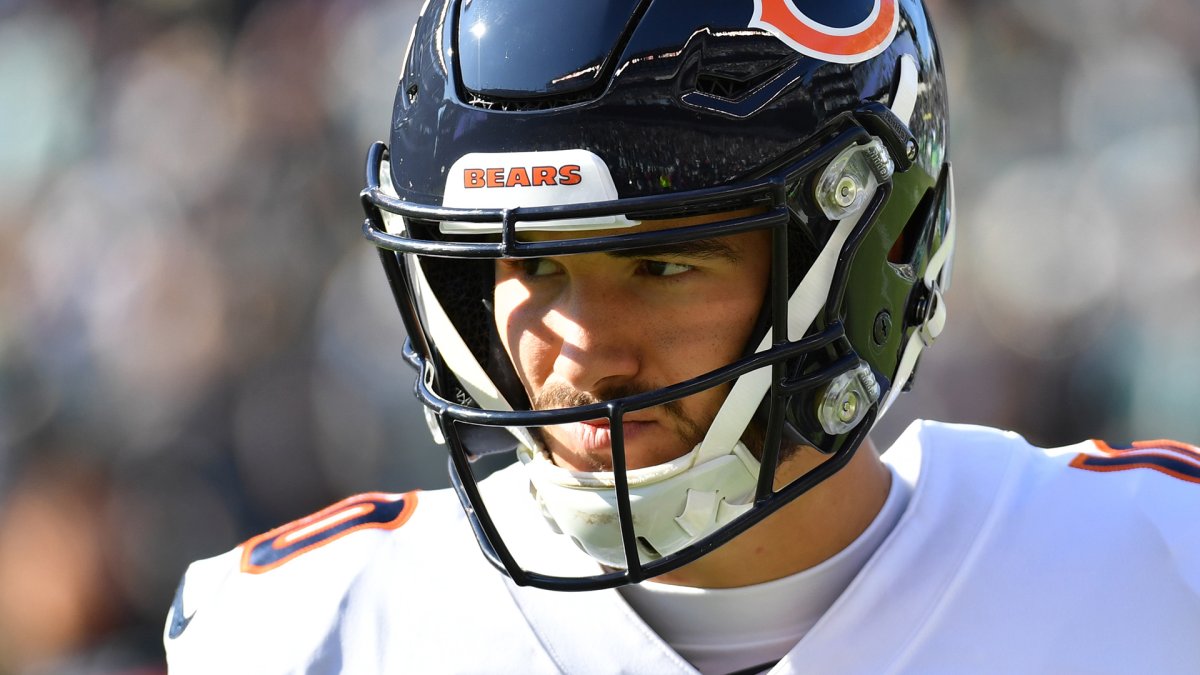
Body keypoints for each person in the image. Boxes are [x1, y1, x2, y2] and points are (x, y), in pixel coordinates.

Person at [165, 0, 1200, 672]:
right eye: (531, 265)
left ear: (867, 250)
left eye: (661, 264)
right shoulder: (302, 635)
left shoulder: (1162, 574)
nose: (580, 348)